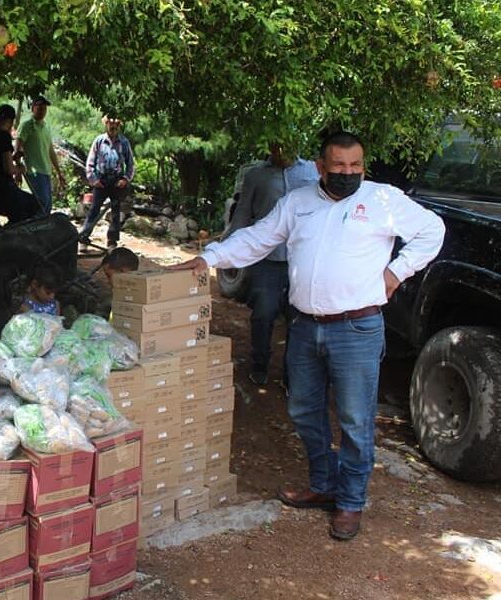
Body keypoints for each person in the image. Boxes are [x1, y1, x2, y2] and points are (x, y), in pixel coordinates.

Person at [171, 131, 445, 541]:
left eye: (356, 166)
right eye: (339, 166)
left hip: (357, 328)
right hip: (305, 326)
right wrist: (210, 256)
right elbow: (259, 238)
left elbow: (433, 230)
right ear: (320, 167)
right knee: (303, 410)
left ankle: (350, 502)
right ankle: (323, 484)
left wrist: (396, 271)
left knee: (354, 420)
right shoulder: (298, 203)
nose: (348, 174)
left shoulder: (383, 199)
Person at [230, 144, 319, 386]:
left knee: (298, 319)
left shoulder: (313, 171)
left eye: (285, 144)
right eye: (275, 146)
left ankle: (292, 376)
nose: (281, 150)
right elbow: (243, 213)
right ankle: (259, 364)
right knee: (263, 314)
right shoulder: (256, 175)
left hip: (302, 261)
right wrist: (229, 248)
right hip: (267, 260)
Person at [80, 116, 135, 251]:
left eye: (116, 124)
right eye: (111, 123)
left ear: (119, 126)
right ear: (106, 124)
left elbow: (131, 164)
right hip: (101, 181)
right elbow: (90, 162)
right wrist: (93, 180)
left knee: (115, 212)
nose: (113, 126)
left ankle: (112, 242)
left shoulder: (124, 142)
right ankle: (84, 239)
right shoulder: (99, 141)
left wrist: (125, 179)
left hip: (117, 182)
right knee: (94, 210)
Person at [0, 104, 40, 223]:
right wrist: (20, 169)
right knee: (33, 205)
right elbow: (9, 169)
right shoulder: (3, 136)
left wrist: (13, 157)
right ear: (12, 120)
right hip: (3, 189)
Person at [15, 95, 66, 213]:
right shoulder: (26, 125)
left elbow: (51, 151)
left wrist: (58, 172)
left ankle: (44, 228)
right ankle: (35, 226)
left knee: (48, 204)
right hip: (33, 170)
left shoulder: (46, 127)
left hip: (46, 170)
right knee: (41, 201)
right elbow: (18, 146)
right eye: (39, 108)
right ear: (33, 108)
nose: (42, 111)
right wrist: (18, 167)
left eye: (44, 108)